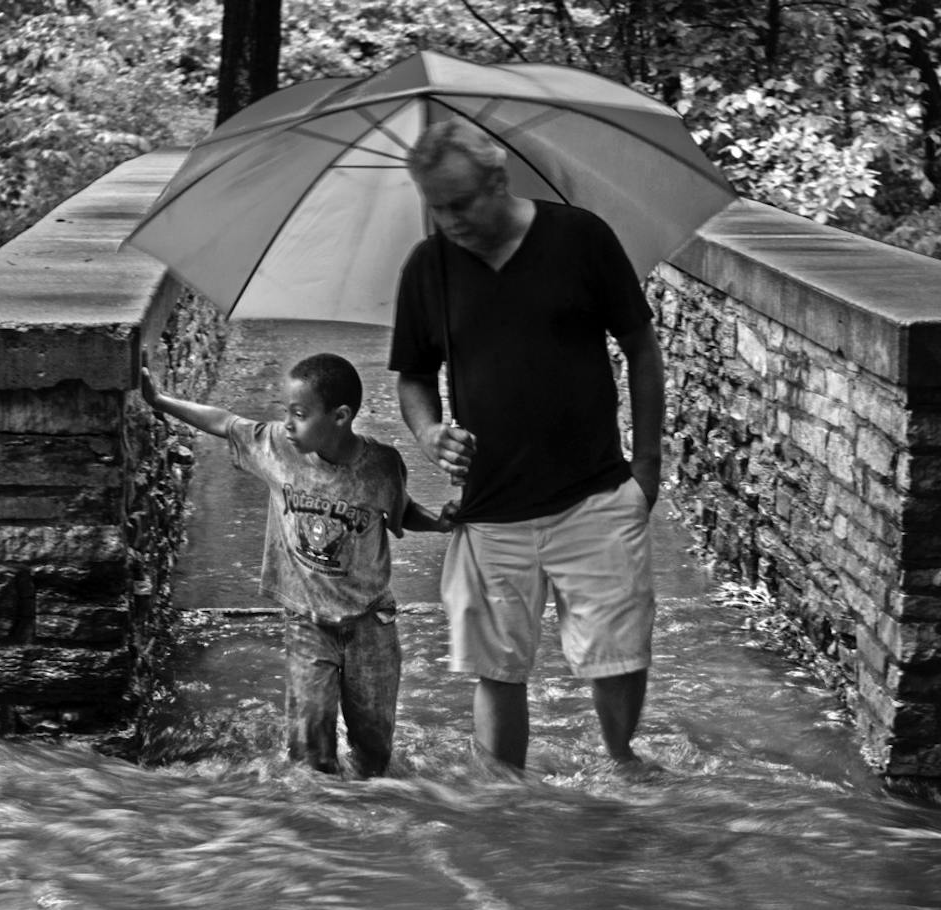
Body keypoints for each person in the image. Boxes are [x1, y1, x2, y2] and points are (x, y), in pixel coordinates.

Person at [389, 117, 666, 774]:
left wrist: (647, 468)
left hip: (594, 493)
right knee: (496, 667)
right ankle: (505, 805)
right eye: (436, 206)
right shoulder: (429, 267)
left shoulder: (580, 237)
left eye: (462, 202)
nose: (449, 219)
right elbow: (415, 377)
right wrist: (429, 433)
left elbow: (641, 346)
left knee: (618, 653)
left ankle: (622, 765)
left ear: (498, 178)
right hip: (488, 509)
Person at [140, 352, 449, 778]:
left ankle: (368, 825)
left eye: (300, 414)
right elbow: (224, 422)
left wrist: (439, 523)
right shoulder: (277, 448)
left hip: (370, 626)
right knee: (309, 753)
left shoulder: (380, 466)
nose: (287, 423)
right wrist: (159, 400)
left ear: (341, 417)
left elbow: (400, 511)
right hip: (307, 623)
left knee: (374, 751)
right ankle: (319, 827)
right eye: (286, 412)